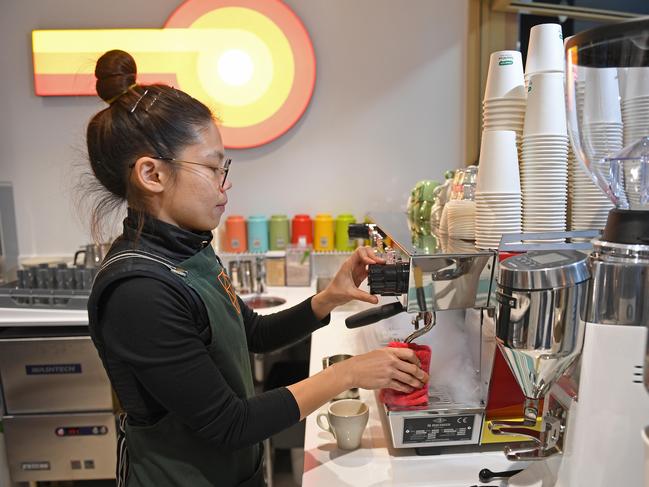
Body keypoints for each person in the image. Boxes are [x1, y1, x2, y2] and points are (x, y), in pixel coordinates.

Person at [85, 49, 428, 487]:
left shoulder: (190, 252)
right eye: (212, 167)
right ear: (152, 174)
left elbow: (253, 335)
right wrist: (349, 372)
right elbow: (230, 424)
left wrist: (328, 298)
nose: (224, 188)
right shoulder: (138, 292)